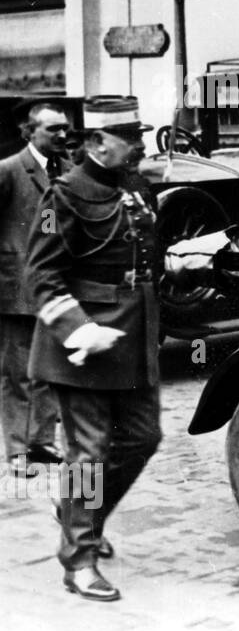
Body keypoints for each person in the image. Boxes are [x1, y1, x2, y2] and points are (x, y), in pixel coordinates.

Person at [26, 97, 161, 602]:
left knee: (143, 438)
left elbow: (145, 258)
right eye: (132, 136)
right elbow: (40, 275)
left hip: (132, 336)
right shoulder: (64, 194)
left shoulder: (137, 188)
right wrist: (80, 330)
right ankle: (79, 561)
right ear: (99, 142)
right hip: (80, 345)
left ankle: (79, 512)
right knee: (89, 454)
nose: (142, 144)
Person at [0, 102, 70, 477]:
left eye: (65, 129)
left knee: (49, 369)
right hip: (15, 290)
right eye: (53, 129)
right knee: (17, 374)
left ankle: (42, 441)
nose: (62, 135)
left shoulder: (68, 172)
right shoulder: (9, 171)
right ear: (29, 133)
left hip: (55, 289)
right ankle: (17, 450)